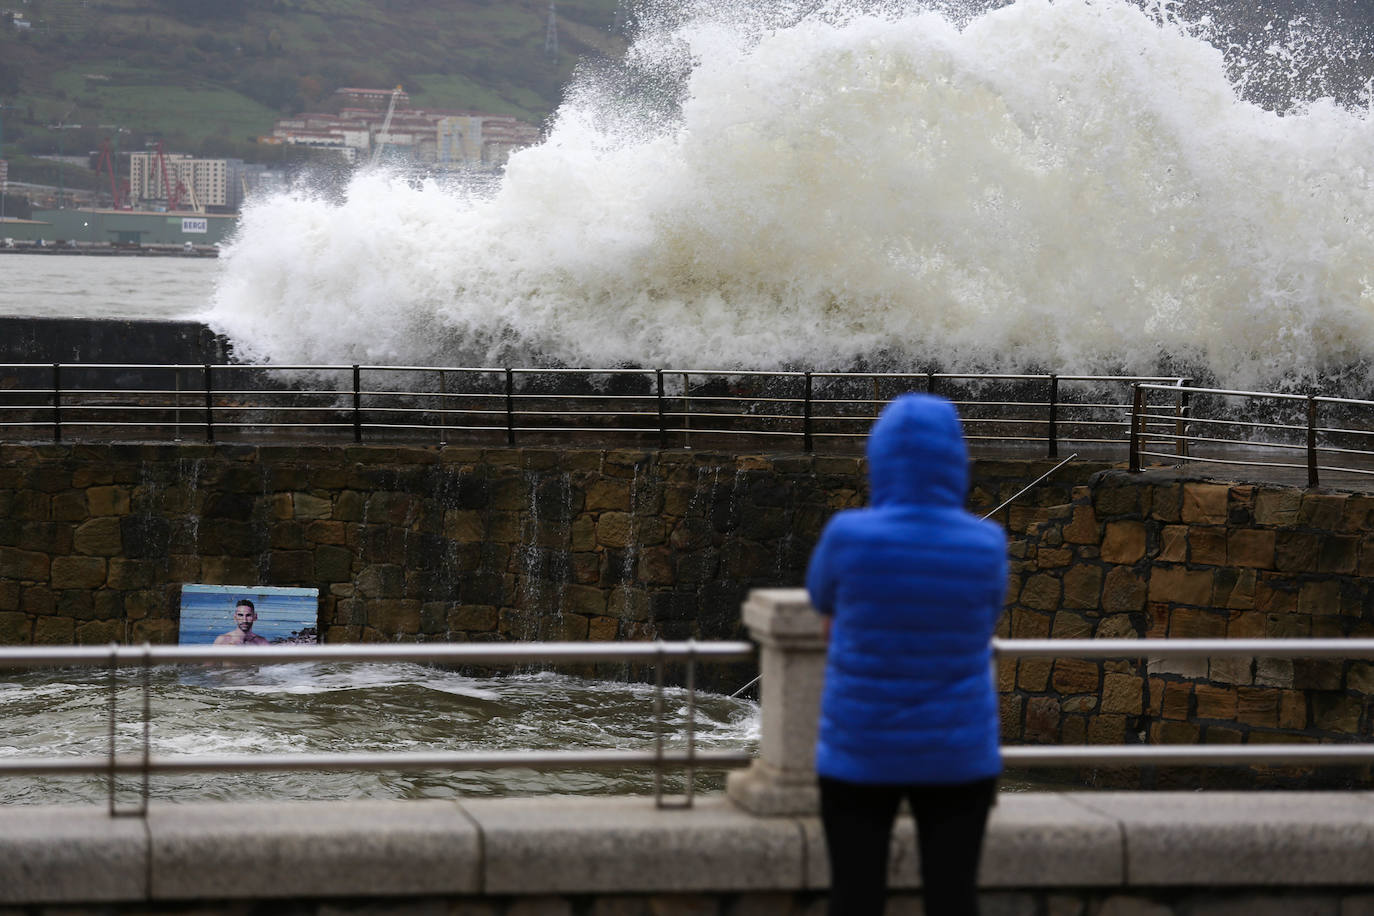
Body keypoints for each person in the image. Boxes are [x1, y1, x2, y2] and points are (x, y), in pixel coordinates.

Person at [806, 393, 1008, 916]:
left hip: (859, 745)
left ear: (880, 460)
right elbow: (985, 617)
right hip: (959, 749)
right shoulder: (987, 543)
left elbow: (819, 598)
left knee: (854, 895)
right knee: (953, 895)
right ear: (955, 462)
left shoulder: (847, 535)